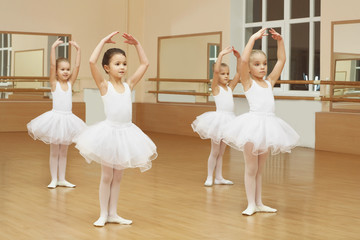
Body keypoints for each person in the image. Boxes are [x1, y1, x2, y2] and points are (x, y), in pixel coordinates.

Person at [74, 32, 157, 227]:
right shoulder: (104, 86)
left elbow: (145, 64)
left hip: (126, 132)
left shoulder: (129, 85)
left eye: (124, 64)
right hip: (109, 133)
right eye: (117, 64)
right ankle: (103, 214)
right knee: (107, 176)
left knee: (118, 176)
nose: (122, 67)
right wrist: (102, 41)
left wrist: (137, 44)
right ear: (107, 68)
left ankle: (113, 213)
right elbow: (91, 62)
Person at [223, 28, 299, 216]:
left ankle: (259, 202)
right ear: (249, 68)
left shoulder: (269, 82)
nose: (263, 67)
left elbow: (281, 60)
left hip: (268, 127)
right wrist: (252, 38)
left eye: (264, 64)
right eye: (257, 64)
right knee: (251, 167)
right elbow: (242, 60)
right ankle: (250, 204)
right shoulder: (248, 82)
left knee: (259, 170)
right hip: (252, 127)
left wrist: (280, 41)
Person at [27, 38, 85, 189]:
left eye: (67, 69)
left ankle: (62, 179)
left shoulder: (70, 83)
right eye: (62, 69)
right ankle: (53, 179)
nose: (66, 71)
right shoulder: (54, 84)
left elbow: (78, 66)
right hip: (55, 119)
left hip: (68, 119)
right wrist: (53, 48)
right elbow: (52, 65)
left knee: (64, 151)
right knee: (54, 151)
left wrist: (78, 51)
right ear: (57, 72)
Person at [191, 46, 241, 187]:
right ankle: (209, 176)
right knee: (215, 151)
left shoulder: (229, 88)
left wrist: (238, 58)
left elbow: (238, 73)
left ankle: (219, 177)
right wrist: (221, 55)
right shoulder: (216, 88)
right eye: (223, 74)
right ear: (217, 75)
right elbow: (216, 70)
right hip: (218, 121)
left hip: (229, 121)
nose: (226, 76)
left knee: (221, 153)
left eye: (227, 74)